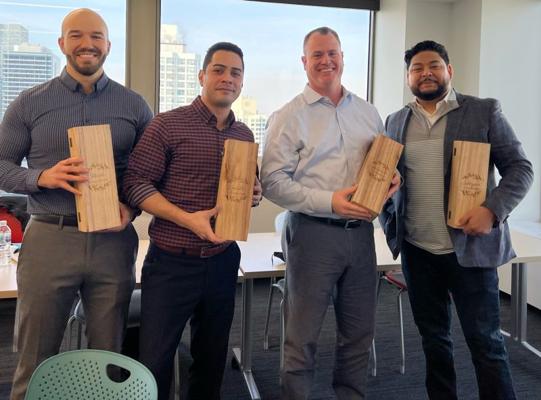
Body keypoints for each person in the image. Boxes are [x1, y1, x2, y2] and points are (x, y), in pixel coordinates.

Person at [0, 8, 153, 400]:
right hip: (50, 238)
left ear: (108, 45)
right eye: (77, 35)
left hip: (113, 242)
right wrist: (41, 178)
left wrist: (131, 209)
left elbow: (148, 173)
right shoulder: (30, 102)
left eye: (96, 36)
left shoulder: (135, 106)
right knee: (35, 358)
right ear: (62, 43)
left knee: (108, 360)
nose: (88, 44)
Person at [380, 40, 533, 400]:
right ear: (408, 77)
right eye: (417, 68)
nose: (426, 73)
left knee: (486, 344)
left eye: (434, 65)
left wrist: (492, 210)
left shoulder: (483, 111)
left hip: (470, 251)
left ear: (449, 70)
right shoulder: (395, 121)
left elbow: (520, 168)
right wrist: (390, 221)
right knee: (434, 342)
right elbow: (388, 180)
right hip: (418, 252)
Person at [261, 27, 399, 400]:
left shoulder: (367, 112)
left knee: (358, 333)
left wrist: (391, 178)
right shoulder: (288, 116)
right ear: (304, 61)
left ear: (342, 57)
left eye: (332, 53)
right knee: (302, 335)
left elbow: (378, 164)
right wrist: (330, 201)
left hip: (361, 235)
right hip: (312, 233)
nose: (326, 61)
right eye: (317, 54)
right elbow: (272, 182)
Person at [123, 41, 261, 400]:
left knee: (211, 361)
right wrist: (187, 219)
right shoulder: (167, 125)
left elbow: (246, 190)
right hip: (172, 264)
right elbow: (135, 183)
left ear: (242, 82)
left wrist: (254, 194)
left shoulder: (244, 135)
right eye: (219, 70)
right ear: (202, 76)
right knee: (154, 362)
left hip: (223, 261)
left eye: (235, 73)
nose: (227, 78)